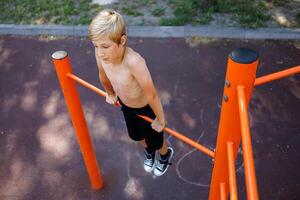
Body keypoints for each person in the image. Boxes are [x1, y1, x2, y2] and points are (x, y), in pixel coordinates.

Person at [88, 9, 174, 176]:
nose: (99, 52)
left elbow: (152, 94)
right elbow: (102, 74)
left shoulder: (135, 63)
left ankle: (164, 154)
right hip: (126, 105)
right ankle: (149, 151)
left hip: (146, 108)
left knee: (156, 140)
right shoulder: (101, 54)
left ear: (122, 40)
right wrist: (109, 92)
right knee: (136, 136)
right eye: (96, 46)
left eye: (105, 46)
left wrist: (161, 119)